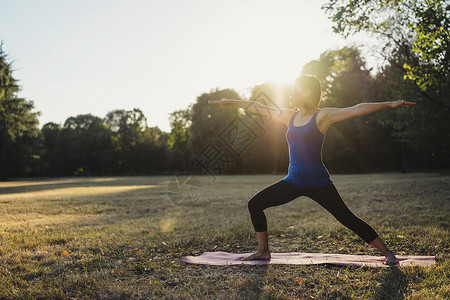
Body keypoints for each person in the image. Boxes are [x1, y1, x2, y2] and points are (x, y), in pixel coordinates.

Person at [208, 74, 415, 266]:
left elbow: (356, 108)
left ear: (307, 92)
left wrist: (389, 104)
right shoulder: (289, 116)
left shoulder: (322, 116)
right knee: (255, 204)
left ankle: (388, 253)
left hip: (319, 183)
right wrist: (232, 102)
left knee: (347, 219)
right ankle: (263, 251)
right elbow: (259, 108)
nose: (290, 93)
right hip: (293, 181)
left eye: (294, 89)